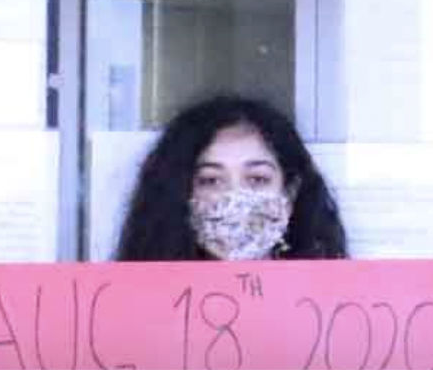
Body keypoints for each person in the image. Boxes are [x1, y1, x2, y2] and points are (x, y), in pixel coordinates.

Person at [113, 94, 349, 262]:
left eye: (257, 179)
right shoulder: (143, 304)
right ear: (181, 193)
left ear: (289, 192)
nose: (234, 198)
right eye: (211, 181)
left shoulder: (330, 305)